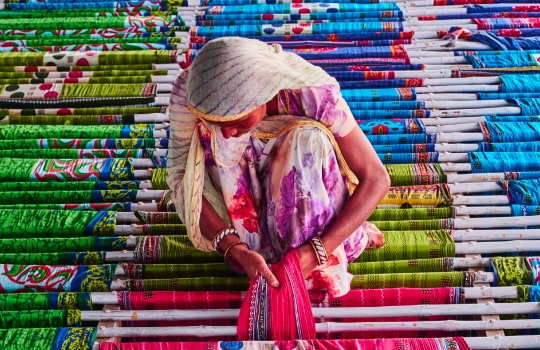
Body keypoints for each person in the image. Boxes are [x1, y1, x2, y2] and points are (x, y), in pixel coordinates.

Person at [167, 37, 390, 297]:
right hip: (245, 229)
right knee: (205, 134)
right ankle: (259, 253)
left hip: (310, 220)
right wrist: (234, 248)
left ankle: (324, 252)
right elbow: (181, 179)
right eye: (219, 123)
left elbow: (376, 178)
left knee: (307, 139)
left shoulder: (313, 96)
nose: (227, 134)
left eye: (237, 121)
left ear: (265, 93)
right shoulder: (193, 93)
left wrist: (318, 250)